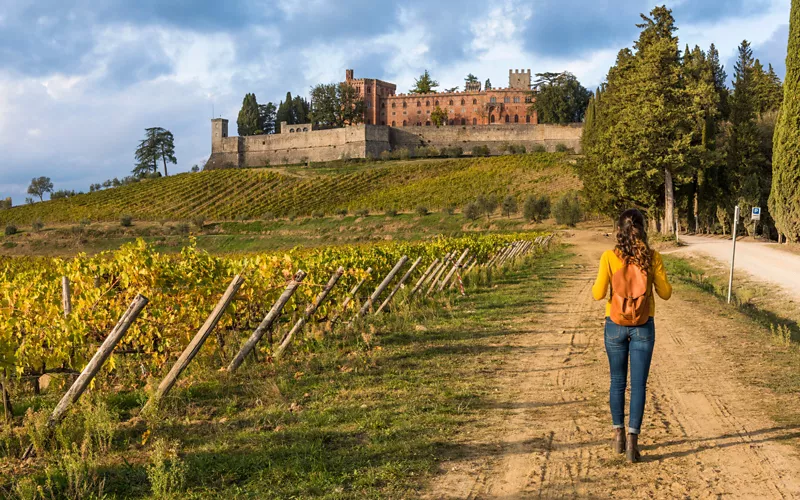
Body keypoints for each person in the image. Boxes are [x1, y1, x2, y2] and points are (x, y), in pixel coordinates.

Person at [592, 209, 672, 462]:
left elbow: (596, 294)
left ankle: (617, 436)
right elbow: (666, 293)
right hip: (644, 324)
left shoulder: (608, 257)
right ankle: (632, 443)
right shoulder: (652, 257)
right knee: (638, 385)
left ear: (619, 229)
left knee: (617, 382)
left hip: (614, 324)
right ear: (643, 228)